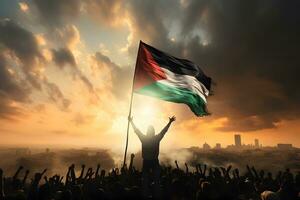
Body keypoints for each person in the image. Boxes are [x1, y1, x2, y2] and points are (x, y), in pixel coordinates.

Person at [129, 115, 176, 198]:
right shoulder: (155, 138)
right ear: (153, 132)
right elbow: (163, 131)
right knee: (154, 181)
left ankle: (148, 194)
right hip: (152, 161)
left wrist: (131, 122)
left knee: (147, 181)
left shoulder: (145, 138)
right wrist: (169, 122)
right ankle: (154, 194)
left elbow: (137, 131)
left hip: (148, 161)